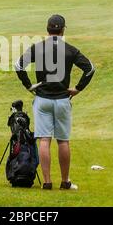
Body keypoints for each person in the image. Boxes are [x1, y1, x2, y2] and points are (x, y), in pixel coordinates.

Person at [15, 14, 95, 190]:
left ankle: (46, 181)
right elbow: (90, 69)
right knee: (63, 141)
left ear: (47, 29)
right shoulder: (71, 50)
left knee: (44, 139)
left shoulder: (37, 48)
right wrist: (78, 88)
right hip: (62, 100)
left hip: (42, 99)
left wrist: (29, 85)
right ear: (63, 29)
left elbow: (18, 65)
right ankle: (65, 181)